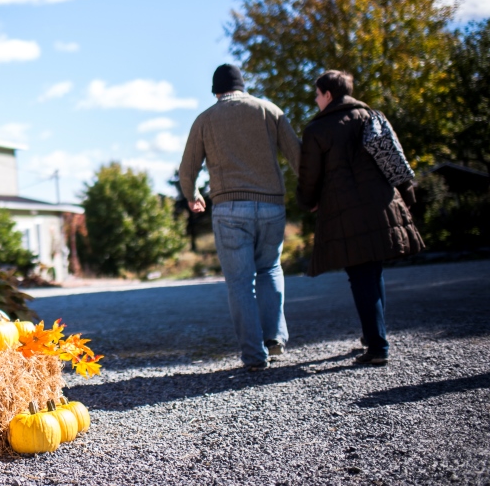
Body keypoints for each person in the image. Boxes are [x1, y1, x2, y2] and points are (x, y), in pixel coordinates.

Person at [179, 64, 301, 371]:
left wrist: (193, 195)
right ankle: (274, 339)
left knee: (240, 283)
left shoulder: (205, 119)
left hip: (230, 210)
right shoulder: (269, 110)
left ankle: (253, 355)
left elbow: (187, 168)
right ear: (242, 86)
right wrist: (310, 193)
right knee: (271, 268)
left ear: (216, 91)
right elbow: (297, 155)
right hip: (272, 206)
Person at [297, 71, 423, 366]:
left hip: (344, 212)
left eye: (317, 94)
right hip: (380, 204)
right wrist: (407, 194)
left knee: (359, 275)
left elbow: (309, 175)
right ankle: (373, 335)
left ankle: (377, 345)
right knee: (373, 272)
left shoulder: (318, 129)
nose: (315, 100)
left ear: (328, 94)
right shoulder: (373, 116)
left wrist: (307, 202)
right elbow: (395, 156)